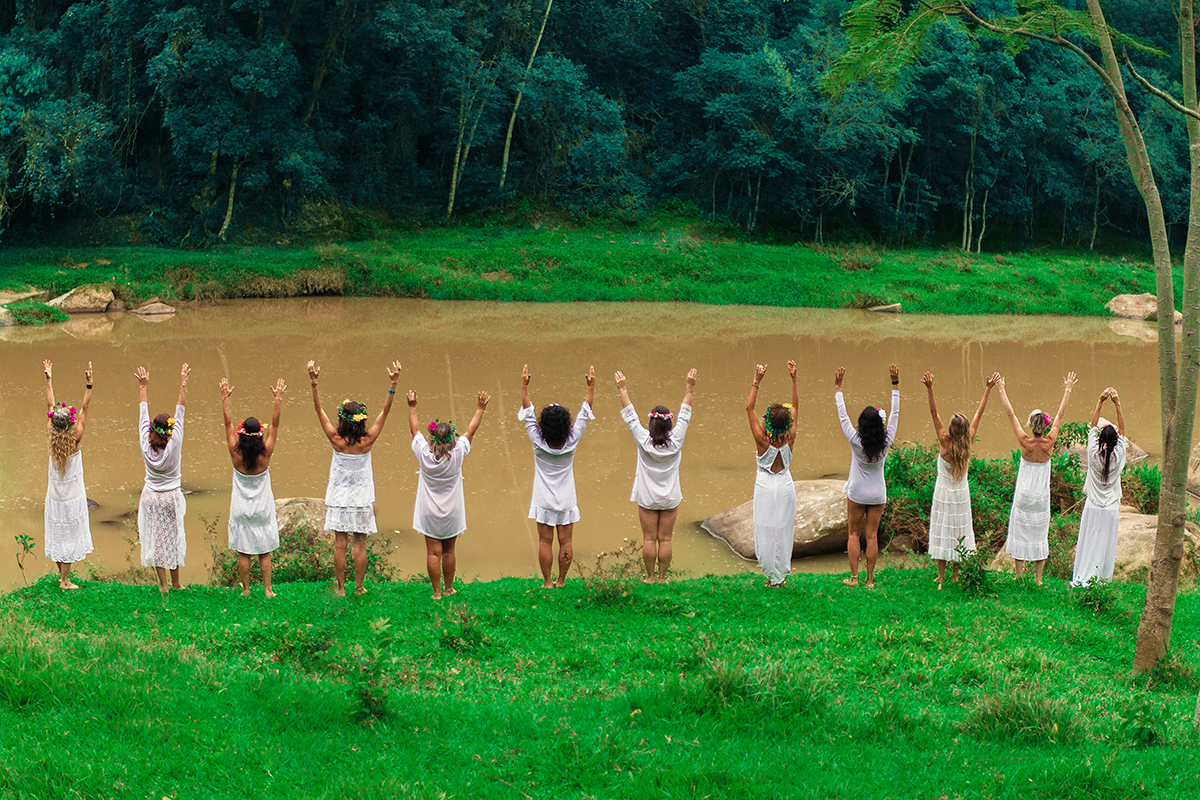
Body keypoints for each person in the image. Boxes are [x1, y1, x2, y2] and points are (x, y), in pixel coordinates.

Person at [308, 359, 401, 597]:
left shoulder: (336, 439)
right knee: (360, 545)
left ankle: (341, 588)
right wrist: (393, 383)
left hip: (340, 497)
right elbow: (386, 412)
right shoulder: (367, 441)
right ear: (362, 420)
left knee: (340, 544)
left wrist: (314, 382)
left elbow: (319, 411)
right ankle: (359, 588)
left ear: (342, 420)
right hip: (360, 498)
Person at [615, 368, 698, 583]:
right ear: (669, 424)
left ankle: (650, 577)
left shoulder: (643, 439)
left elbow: (630, 415)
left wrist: (622, 388)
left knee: (649, 538)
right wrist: (689, 387)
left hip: (648, 497)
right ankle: (662, 577)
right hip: (670, 497)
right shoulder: (677, 440)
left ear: (651, 423)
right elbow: (686, 413)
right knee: (666, 539)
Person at [407, 388, 490, 599]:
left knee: (433, 552)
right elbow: (470, 431)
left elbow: (414, 431)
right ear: (452, 437)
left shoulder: (424, 454)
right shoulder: (458, 453)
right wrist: (480, 408)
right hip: (452, 510)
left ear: (432, 437)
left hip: (429, 511)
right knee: (449, 551)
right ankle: (449, 588)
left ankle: (436, 592)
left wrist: (412, 407)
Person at [519, 363, 596, 589]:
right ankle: (561, 580)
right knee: (567, 541)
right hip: (566, 498)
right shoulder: (572, 441)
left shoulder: (537, 441)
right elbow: (585, 412)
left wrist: (524, 387)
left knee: (545, 541)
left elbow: (527, 413)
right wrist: (591, 387)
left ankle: (546, 582)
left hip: (543, 498)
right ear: (566, 425)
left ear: (544, 425)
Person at [996, 371, 1077, 585]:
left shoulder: (1025, 442)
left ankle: (1019, 575)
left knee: (1021, 532)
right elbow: (1060, 414)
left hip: (1024, 495)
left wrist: (1002, 389)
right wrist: (1068, 389)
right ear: (1046, 426)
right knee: (1040, 534)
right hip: (1041, 496)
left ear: (1031, 426)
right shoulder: (1050, 442)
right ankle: (1038, 579)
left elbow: (1011, 415)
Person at [922, 370, 999, 589]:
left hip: (943, 494)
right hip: (961, 495)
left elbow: (934, 413)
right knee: (957, 530)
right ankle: (955, 574)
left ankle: (941, 576)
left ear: (951, 429)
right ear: (965, 429)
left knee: (942, 529)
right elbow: (979, 413)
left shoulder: (944, 442)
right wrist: (987, 389)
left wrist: (930, 388)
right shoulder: (968, 441)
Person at [835, 364, 900, 589]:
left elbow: (843, 416)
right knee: (871, 537)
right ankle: (870, 580)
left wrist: (838, 388)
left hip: (858, 492)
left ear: (862, 425)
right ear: (880, 424)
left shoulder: (856, 441)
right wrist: (895, 384)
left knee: (853, 533)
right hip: (877, 493)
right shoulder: (887, 440)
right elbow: (896, 414)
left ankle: (854, 578)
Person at [221, 376, 286, 597]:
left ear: (241, 433)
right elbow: (275, 425)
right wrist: (278, 399)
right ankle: (268, 590)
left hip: (241, 508)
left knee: (244, 552)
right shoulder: (265, 453)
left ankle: (247, 590)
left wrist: (224, 399)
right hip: (262, 508)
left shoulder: (235, 453)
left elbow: (227, 424)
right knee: (264, 551)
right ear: (260, 434)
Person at [136, 363, 191, 593]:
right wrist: (183, 382)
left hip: (151, 497)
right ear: (170, 430)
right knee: (174, 536)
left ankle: (163, 585)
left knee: (157, 539)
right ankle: (177, 582)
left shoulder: (144, 442)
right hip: (171, 497)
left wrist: (143, 385)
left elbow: (142, 412)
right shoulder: (175, 443)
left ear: (151, 430)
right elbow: (181, 408)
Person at [747, 361, 798, 587]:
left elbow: (749, 408)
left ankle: (771, 575)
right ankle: (782, 575)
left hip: (766, 485)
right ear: (788, 423)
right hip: (785, 484)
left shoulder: (762, 439)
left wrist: (757, 381)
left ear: (767, 421)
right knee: (784, 529)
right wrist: (794, 379)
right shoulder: (790, 437)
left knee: (766, 528)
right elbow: (796, 406)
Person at [43, 359, 94, 590]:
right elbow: (84, 409)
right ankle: (64, 581)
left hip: (55, 496)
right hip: (72, 496)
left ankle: (62, 577)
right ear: (70, 424)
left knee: (58, 534)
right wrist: (89, 386)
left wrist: (49, 378)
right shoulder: (76, 439)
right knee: (71, 535)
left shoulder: (51, 437)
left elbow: (50, 403)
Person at [1071, 388, 1127, 587]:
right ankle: (1101, 579)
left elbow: (1092, 426)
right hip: (1110, 507)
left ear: (1101, 440)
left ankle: (1084, 576)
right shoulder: (1119, 455)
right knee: (1105, 546)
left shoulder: (1093, 453)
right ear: (1115, 441)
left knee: (1089, 542)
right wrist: (1117, 403)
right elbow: (1123, 431)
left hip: (1093, 505)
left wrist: (1100, 401)